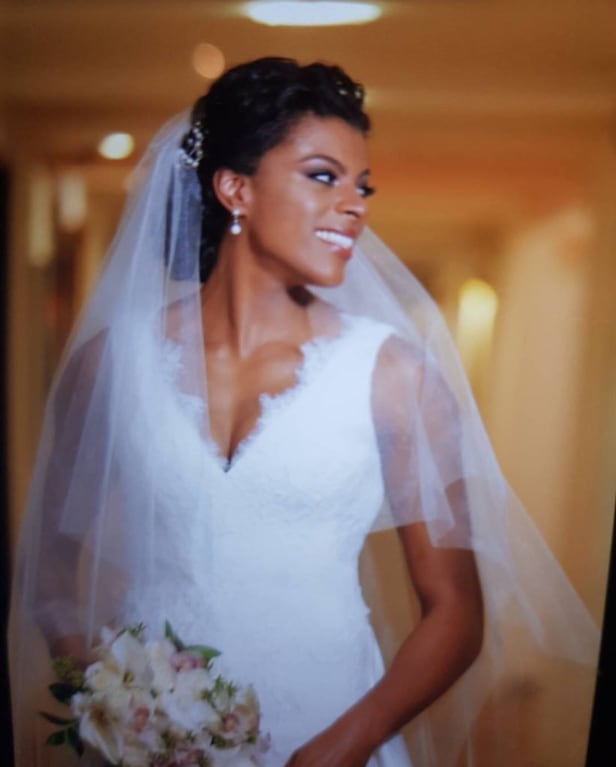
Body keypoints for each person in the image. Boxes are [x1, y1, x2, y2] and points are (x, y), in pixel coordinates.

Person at [8, 58, 599, 767]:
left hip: (329, 730)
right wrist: (114, 707)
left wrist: (340, 746)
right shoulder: (110, 363)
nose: (355, 205)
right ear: (235, 188)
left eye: (362, 186)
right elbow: (49, 575)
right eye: (324, 176)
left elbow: (457, 612)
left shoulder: (394, 376)